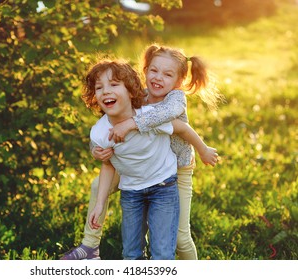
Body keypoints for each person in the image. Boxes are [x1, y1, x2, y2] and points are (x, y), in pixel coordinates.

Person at [60, 45, 220, 260]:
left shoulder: (174, 99)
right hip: (138, 166)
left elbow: (166, 116)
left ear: (178, 82)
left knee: (181, 239)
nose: (158, 78)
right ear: (145, 70)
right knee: (98, 185)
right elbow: (105, 128)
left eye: (167, 74)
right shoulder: (139, 96)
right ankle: (90, 245)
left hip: (174, 171)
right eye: (154, 70)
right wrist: (97, 151)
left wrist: (131, 124)